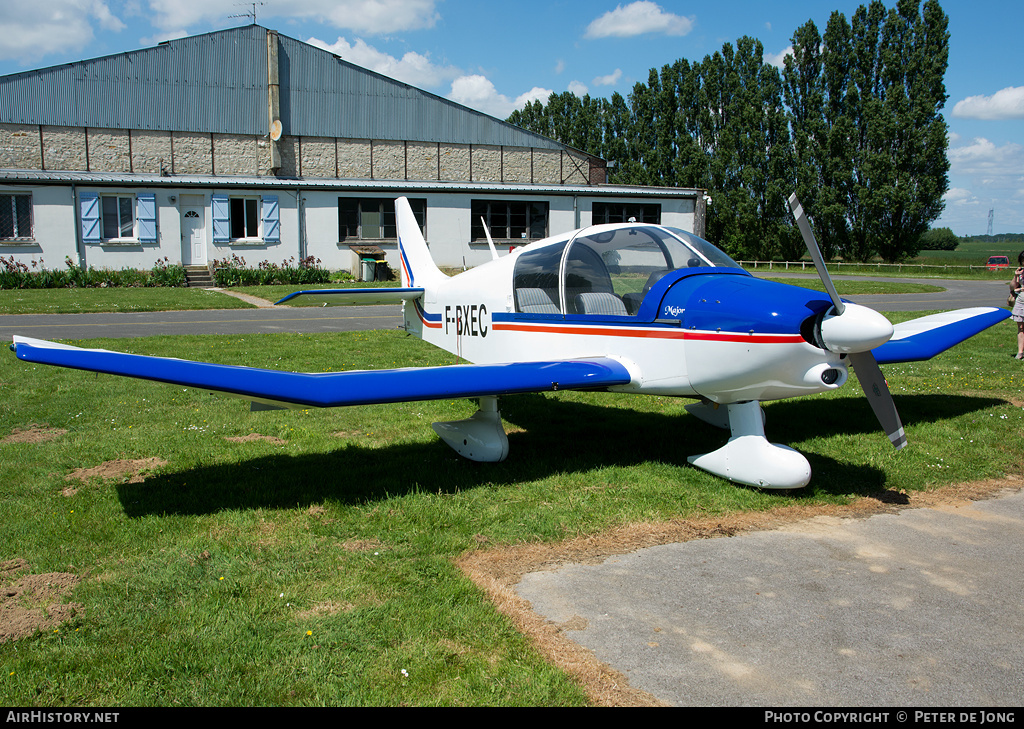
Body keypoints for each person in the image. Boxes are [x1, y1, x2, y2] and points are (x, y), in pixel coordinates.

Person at [1011, 251, 1024, 359]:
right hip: (1021, 302)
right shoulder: (1021, 272)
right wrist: (1016, 276)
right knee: (1020, 328)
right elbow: (1012, 287)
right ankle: (1020, 352)